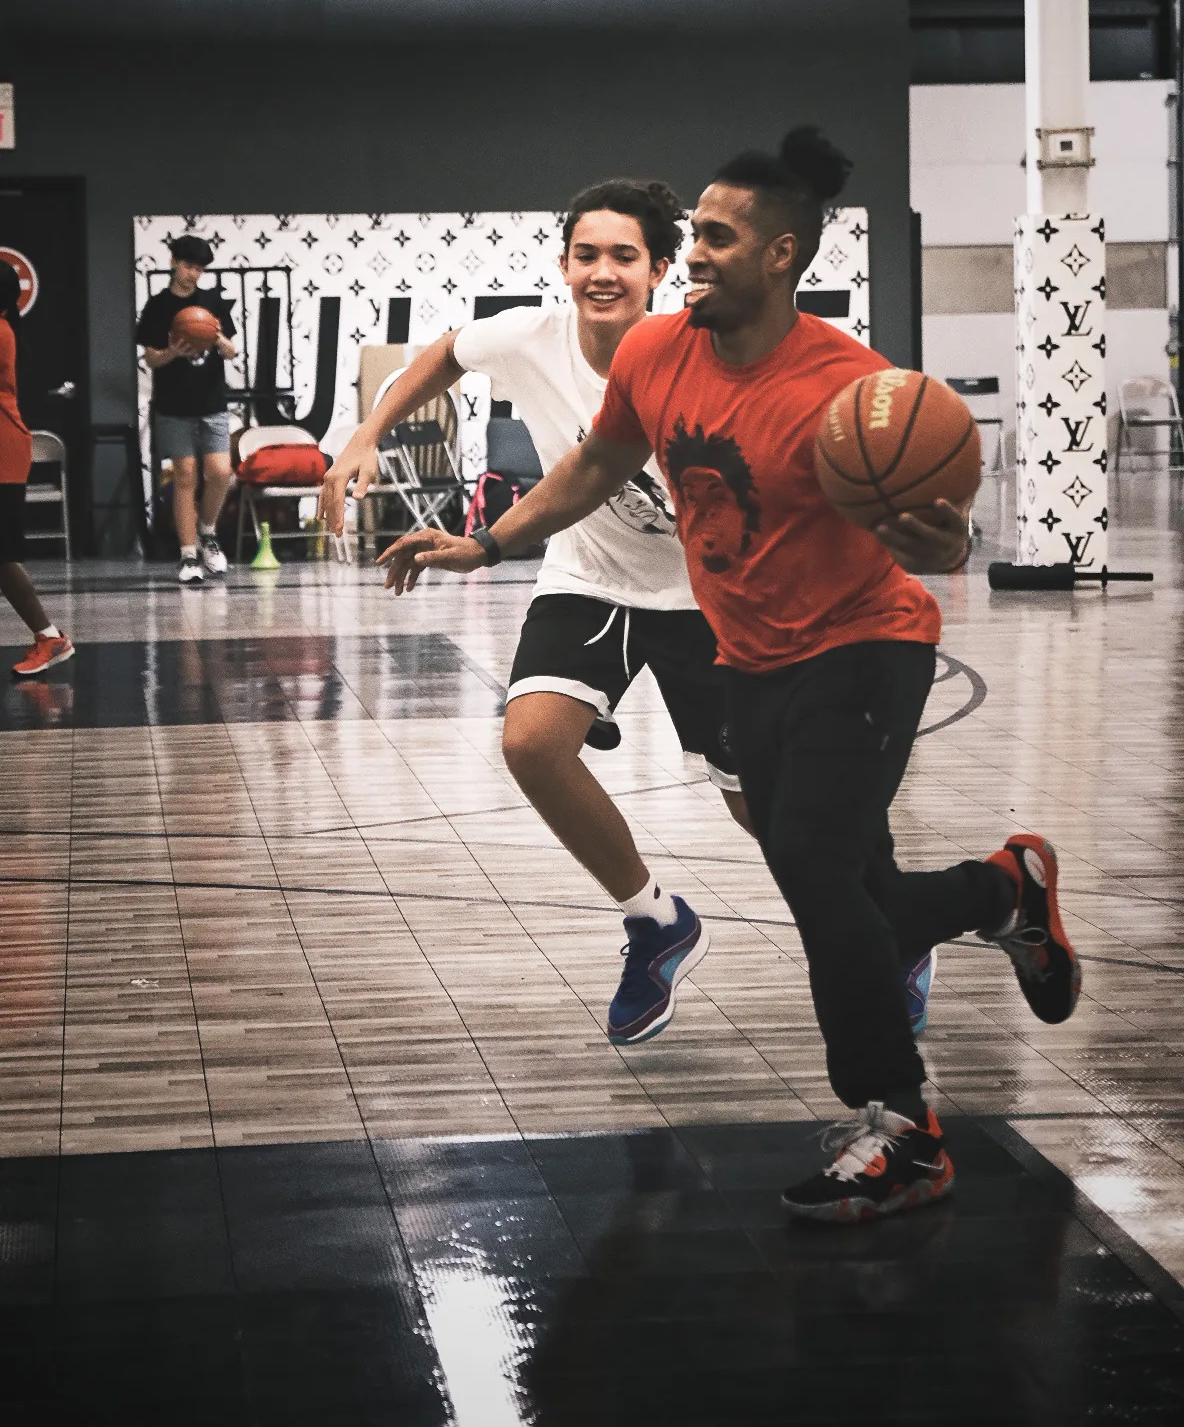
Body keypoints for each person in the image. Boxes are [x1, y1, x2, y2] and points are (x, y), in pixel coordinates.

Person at [381, 127, 1081, 1224]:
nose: (688, 253)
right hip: (747, 650)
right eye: (692, 234)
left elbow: (936, 549)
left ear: (780, 256)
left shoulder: (853, 388)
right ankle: (1002, 892)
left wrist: (941, 536)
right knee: (851, 889)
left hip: (862, 644)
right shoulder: (658, 356)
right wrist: (487, 543)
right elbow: (595, 466)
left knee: (805, 859)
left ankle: (898, 1124)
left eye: (712, 237)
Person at [320, 180, 749, 1046]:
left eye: (624, 256)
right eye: (585, 254)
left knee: (762, 807)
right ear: (561, 264)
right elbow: (443, 352)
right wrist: (367, 430)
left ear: (661, 269)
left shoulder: (703, 352)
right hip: (589, 574)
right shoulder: (530, 335)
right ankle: (655, 921)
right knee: (530, 744)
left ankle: (887, 924)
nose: (602, 271)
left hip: (710, 600)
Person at [136, 236, 237, 584]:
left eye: (199, 268)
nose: (194, 273)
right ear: (173, 262)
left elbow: (232, 350)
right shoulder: (157, 306)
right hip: (173, 405)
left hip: (212, 402)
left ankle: (208, 533)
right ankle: (189, 555)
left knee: (221, 472)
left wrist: (219, 340)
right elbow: (150, 357)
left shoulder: (211, 302)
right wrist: (173, 354)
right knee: (185, 476)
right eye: (189, 266)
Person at [0, 261, 74, 678]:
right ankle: (49, 636)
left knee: (4, 558)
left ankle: (50, 638)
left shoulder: (0, 331)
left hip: (3, 453)